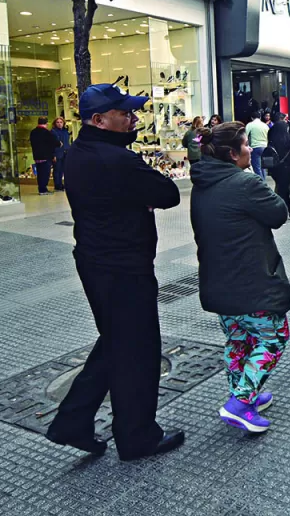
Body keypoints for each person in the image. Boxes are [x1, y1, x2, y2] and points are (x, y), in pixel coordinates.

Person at [46, 84, 185, 460]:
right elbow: (168, 194)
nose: (133, 119)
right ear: (99, 120)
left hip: (94, 261)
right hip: (124, 268)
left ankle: (72, 421)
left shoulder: (77, 153)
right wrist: (142, 198)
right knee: (137, 351)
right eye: (125, 114)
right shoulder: (118, 159)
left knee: (117, 342)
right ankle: (137, 437)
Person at [189, 121, 290, 435]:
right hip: (252, 283)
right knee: (273, 338)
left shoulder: (202, 183)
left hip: (217, 282)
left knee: (237, 341)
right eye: (246, 145)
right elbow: (279, 213)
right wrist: (261, 181)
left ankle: (244, 395)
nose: (250, 149)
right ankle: (241, 402)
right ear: (233, 154)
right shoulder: (245, 183)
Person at [267, 112, 290, 219]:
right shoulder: (286, 137)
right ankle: (284, 207)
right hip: (286, 165)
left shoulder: (271, 134)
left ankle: (284, 206)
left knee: (281, 186)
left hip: (274, 164)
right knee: (285, 187)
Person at [29, 116, 60, 195]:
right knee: (45, 173)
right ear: (46, 123)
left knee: (40, 173)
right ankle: (43, 190)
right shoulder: (47, 132)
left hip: (37, 156)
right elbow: (55, 143)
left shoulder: (33, 132)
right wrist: (59, 144)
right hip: (46, 156)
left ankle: (41, 189)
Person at [245, 111, 270, 179]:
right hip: (265, 147)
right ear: (260, 117)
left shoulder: (250, 125)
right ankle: (263, 180)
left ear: (252, 118)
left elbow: (245, 136)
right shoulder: (265, 125)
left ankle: (261, 182)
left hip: (255, 147)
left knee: (257, 168)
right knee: (263, 167)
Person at [51, 116, 71, 191]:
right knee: (57, 170)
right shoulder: (53, 132)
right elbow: (51, 145)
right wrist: (53, 155)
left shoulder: (65, 131)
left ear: (63, 123)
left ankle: (62, 184)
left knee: (63, 170)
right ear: (55, 123)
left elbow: (67, 142)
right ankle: (57, 185)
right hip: (57, 153)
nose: (59, 124)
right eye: (57, 122)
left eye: (61, 122)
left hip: (66, 152)